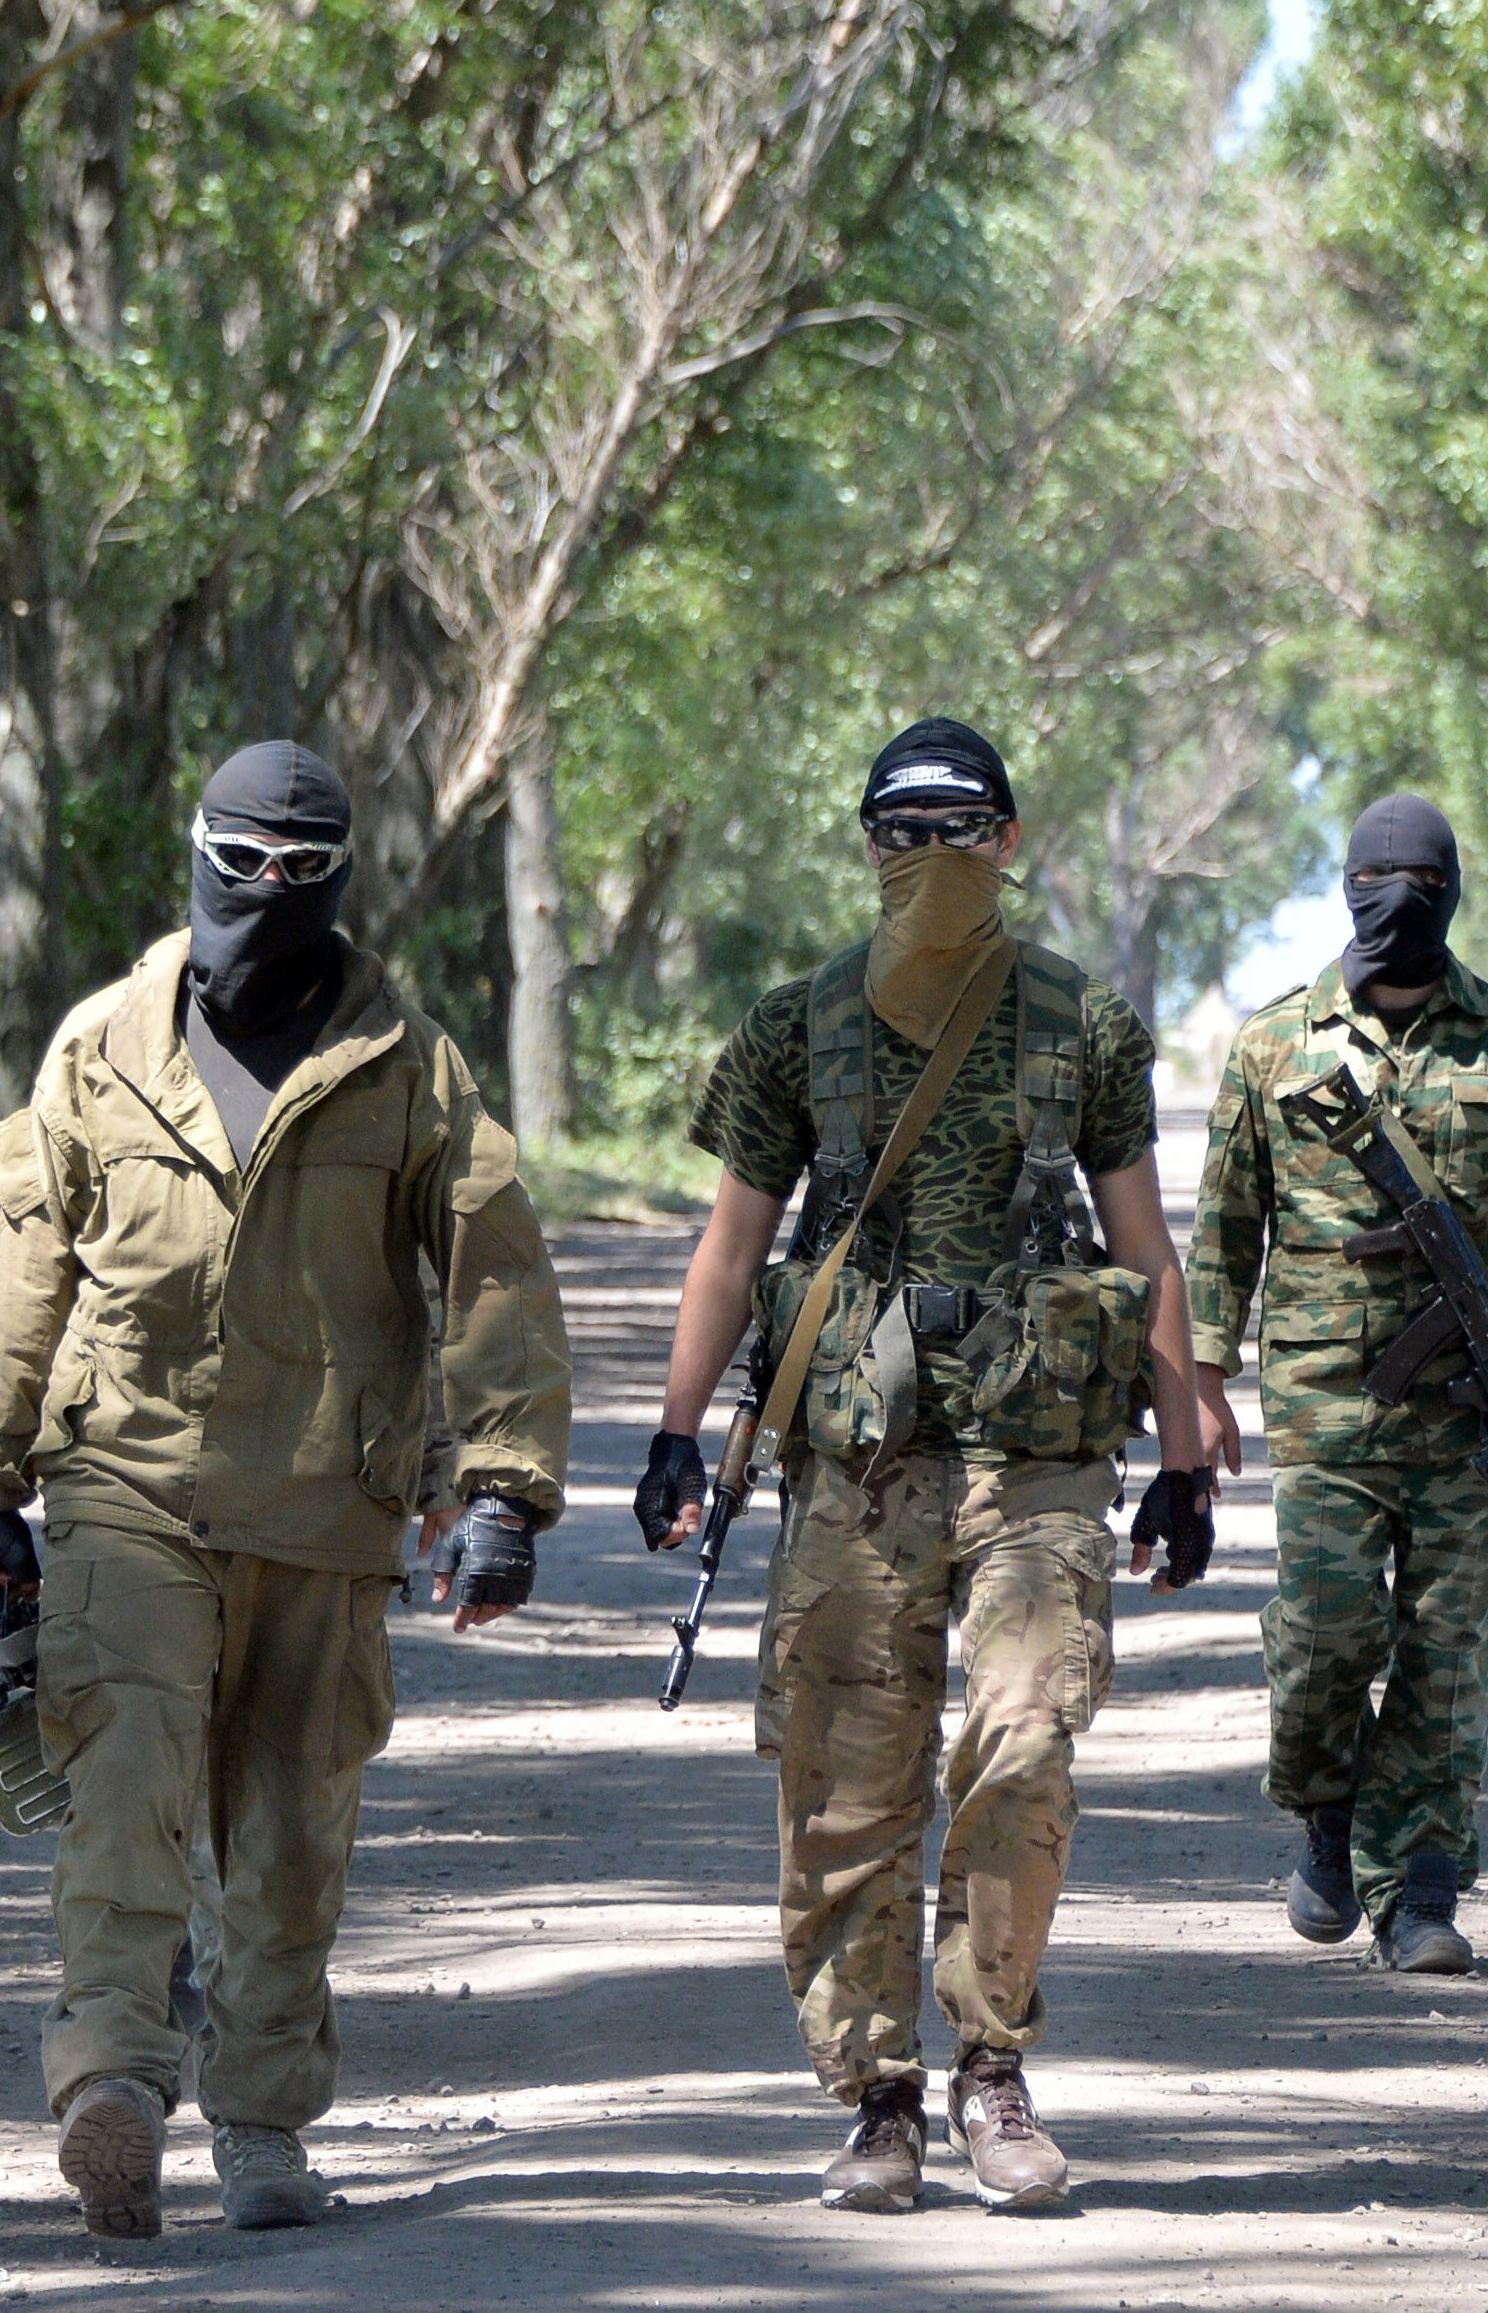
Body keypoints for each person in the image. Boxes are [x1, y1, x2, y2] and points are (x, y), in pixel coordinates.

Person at [0, 741, 571, 2239]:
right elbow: (33, 1269)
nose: (267, 894)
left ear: (340, 876)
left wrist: (505, 1489)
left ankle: (266, 2120)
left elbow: (494, 1275)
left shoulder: (412, 1064)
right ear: (197, 851)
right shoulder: (98, 1045)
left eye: (300, 870)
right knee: (124, 1798)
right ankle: (111, 2080)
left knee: (292, 1837)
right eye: (242, 863)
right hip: (128, 1488)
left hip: (327, 1505)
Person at [634, 717, 1212, 2217]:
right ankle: (878, 2097)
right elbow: (731, 1242)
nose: (929, 852)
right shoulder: (794, 1026)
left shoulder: (1084, 1025)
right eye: (901, 827)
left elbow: (1145, 1248)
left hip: (1036, 1454)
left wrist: (1191, 1447)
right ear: (865, 844)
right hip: (855, 1460)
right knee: (843, 1782)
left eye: (960, 824)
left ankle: (990, 2066)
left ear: (1010, 840)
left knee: (1024, 1743)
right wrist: (678, 1429)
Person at [1185, 795, 1488, 1973]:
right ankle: (1326, 1813)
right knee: (1324, 1638)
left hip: (1472, 1407)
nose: (1397, 897)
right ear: (1344, 886)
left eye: (1422, 877)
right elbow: (1222, 1231)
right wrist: (1200, 1387)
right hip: (1322, 1403)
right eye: (1375, 876)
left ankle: (1425, 1886)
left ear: (1452, 890)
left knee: (1447, 1650)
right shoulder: (1274, 1043)